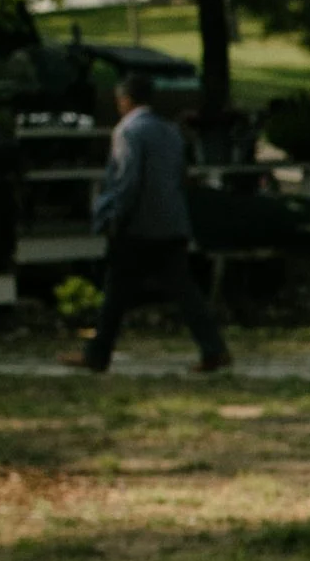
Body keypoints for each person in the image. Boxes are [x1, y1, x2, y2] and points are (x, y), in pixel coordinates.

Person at [83, 69, 231, 375]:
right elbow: (180, 175)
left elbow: (127, 180)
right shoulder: (169, 131)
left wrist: (113, 216)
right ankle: (213, 347)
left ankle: (98, 354)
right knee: (185, 290)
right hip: (170, 221)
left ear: (124, 99)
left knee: (115, 292)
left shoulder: (128, 131)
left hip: (137, 223)